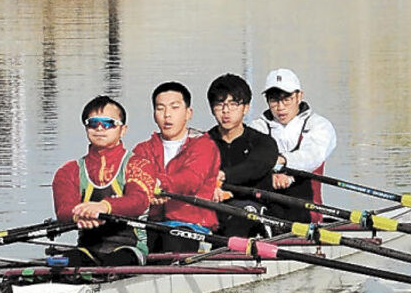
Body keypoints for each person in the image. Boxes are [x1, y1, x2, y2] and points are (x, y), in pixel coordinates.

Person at [124, 81, 222, 254]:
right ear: (154, 114)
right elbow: (134, 179)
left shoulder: (204, 146)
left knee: (170, 241)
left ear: (188, 113)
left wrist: (159, 184)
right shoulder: (143, 150)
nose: (167, 115)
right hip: (151, 224)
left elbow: (191, 179)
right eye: (160, 108)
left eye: (174, 107)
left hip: (192, 227)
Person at [51, 95, 146, 267]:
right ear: (86, 128)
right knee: (70, 259)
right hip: (87, 248)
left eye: (108, 123)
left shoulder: (138, 164)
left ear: (123, 130)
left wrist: (103, 207)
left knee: (117, 260)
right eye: (93, 123)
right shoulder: (68, 171)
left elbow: (138, 201)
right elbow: (63, 211)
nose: (100, 128)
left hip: (130, 248)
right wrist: (77, 214)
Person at [249, 68, 337, 214]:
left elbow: (312, 155)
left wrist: (284, 165)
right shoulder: (257, 127)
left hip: (307, 209)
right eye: (274, 100)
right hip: (265, 206)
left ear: (299, 96)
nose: (280, 107)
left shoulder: (319, 125)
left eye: (286, 99)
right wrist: (271, 175)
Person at [206, 73, 280, 238]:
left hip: (253, 209)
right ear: (212, 108)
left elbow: (255, 166)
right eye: (220, 104)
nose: (226, 111)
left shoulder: (263, 143)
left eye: (233, 104)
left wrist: (223, 177)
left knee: (240, 215)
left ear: (246, 108)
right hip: (214, 207)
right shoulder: (203, 143)